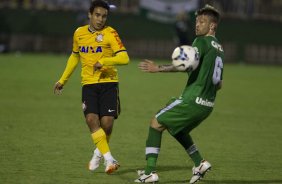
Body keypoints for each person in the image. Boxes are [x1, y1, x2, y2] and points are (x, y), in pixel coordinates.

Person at [135, 4, 224, 184]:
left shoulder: (201, 42)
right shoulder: (219, 48)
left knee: (156, 123)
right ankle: (200, 163)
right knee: (178, 129)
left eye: (203, 22)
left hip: (192, 100)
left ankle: (149, 173)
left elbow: (185, 64)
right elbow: (219, 84)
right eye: (197, 21)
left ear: (212, 26)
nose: (197, 25)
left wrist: (157, 68)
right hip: (207, 105)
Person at [53, 0, 129, 174]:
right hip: (88, 84)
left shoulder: (111, 33)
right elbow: (74, 57)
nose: (101, 19)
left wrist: (104, 61)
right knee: (91, 120)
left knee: (107, 124)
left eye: (104, 16)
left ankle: (98, 152)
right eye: (97, 15)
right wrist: (62, 80)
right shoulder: (79, 33)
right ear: (89, 14)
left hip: (109, 83)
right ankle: (109, 159)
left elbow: (125, 58)